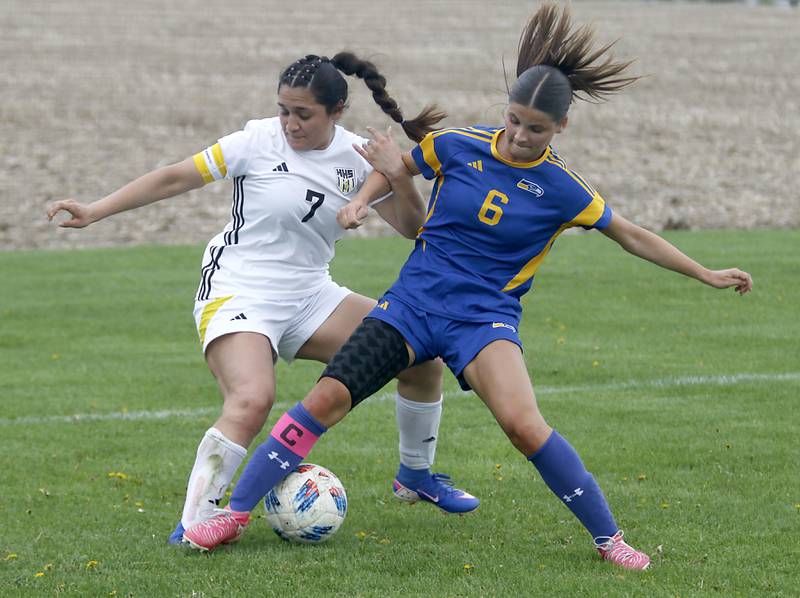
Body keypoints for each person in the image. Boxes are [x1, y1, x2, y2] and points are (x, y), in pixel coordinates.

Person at [182, 4, 753, 569]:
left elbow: (630, 235)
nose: (520, 135)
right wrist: (359, 200)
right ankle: (233, 514)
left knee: (524, 426)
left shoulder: (563, 189)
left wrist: (704, 271)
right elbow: (398, 168)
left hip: (484, 320)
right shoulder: (458, 144)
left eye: (537, 128)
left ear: (561, 128)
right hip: (409, 307)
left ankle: (610, 540)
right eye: (514, 120)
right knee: (325, 398)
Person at [45, 52, 482, 546]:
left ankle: (416, 476)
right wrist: (94, 211)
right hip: (239, 287)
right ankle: (194, 523)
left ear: (336, 111)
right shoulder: (255, 140)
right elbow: (174, 177)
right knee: (253, 399)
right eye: (284, 111)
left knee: (418, 350)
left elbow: (412, 228)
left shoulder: (357, 157)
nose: (290, 124)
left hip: (310, 293)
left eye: (303, 114)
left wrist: (397, 177)